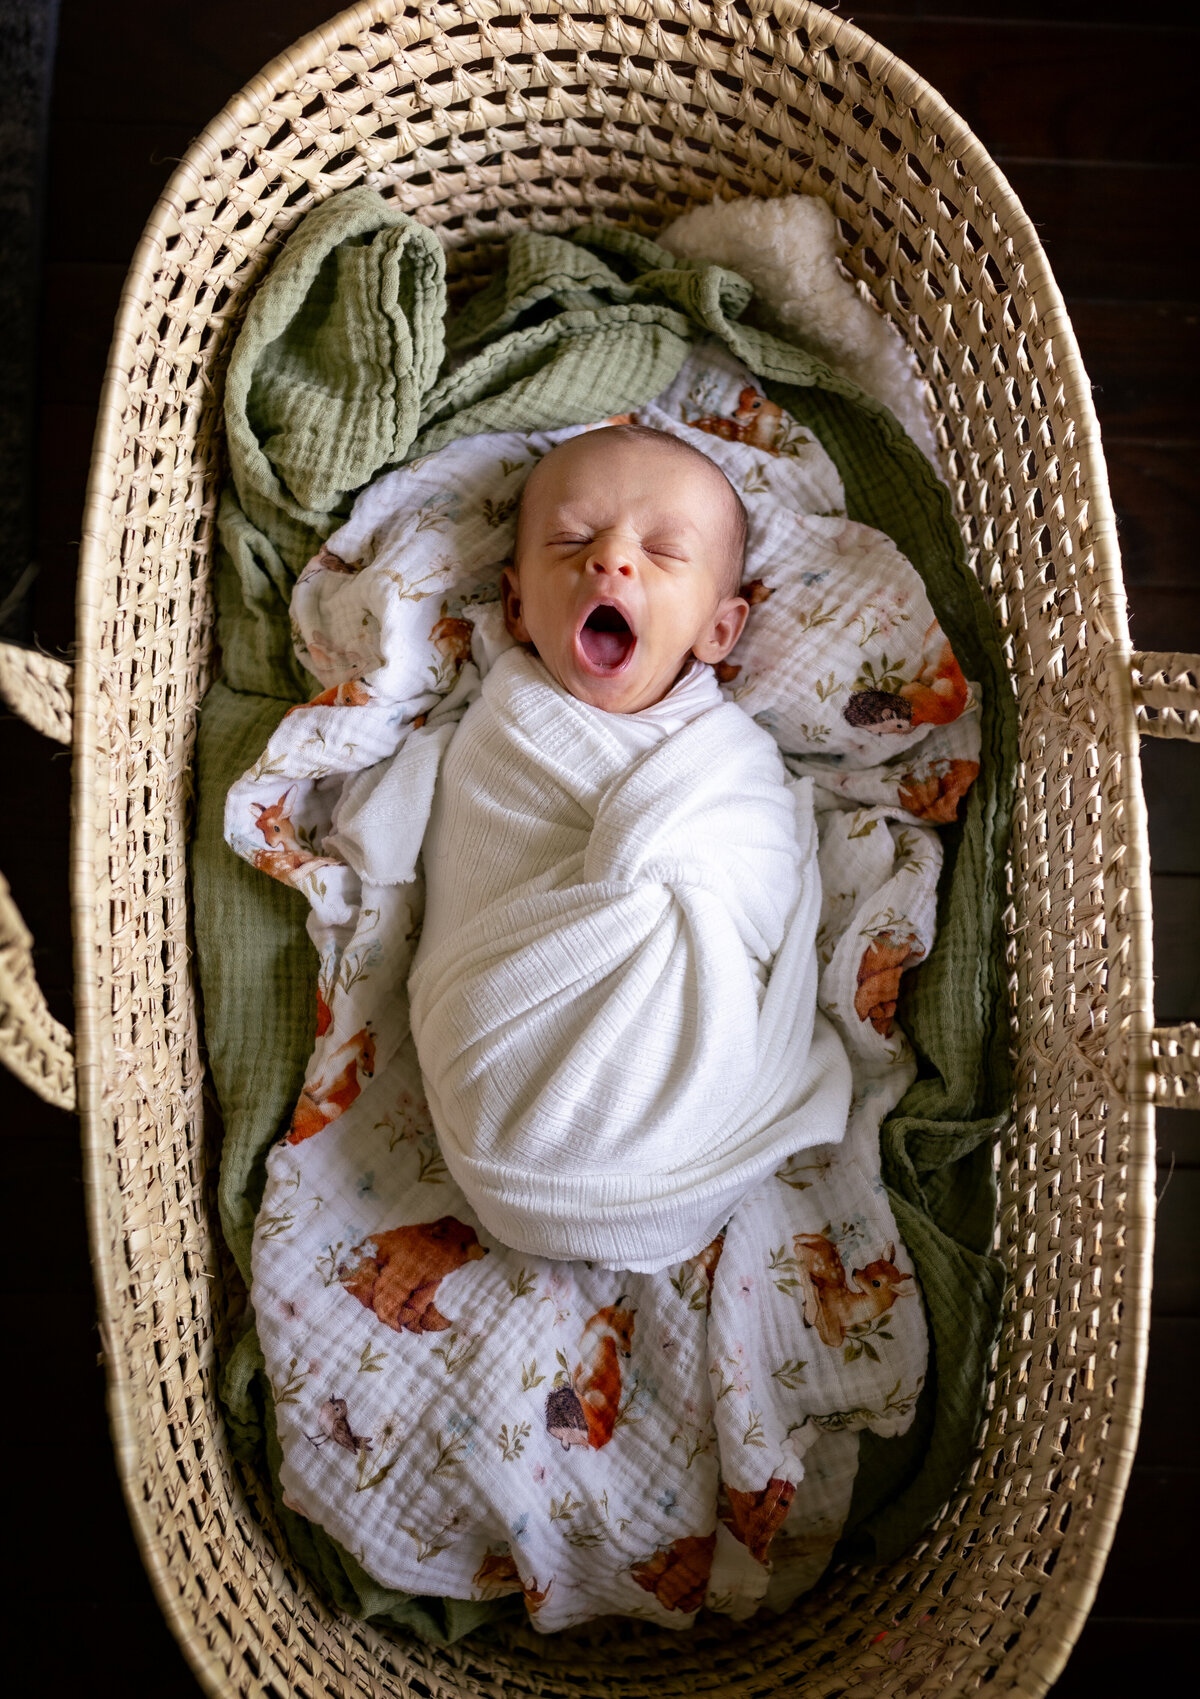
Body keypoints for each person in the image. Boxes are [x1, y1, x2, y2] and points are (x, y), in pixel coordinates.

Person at [407, 423, 851, 1273]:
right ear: (515, 607)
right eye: (572, 539)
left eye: (662, 551)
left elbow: (760, 903)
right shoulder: (504, 722)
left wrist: (663, 876)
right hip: (500, 1054)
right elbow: (464, 857)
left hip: (668, 1104)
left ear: (719, 631)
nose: (611, 558)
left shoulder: (731, 761)